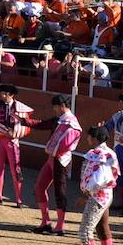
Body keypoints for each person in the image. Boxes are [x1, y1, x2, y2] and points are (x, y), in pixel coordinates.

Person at [32, 95, 83, 235]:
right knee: (39, 188)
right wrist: (24, 121)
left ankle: (60, 226)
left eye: (55, 107)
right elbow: (42, 124)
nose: (53, 110)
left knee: (60, 192)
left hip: (61, 160)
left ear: (61, 106)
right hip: (52, 158)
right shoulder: (60, 120)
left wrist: (56, 151)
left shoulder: (71, 123)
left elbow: (67, 144)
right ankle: (46, 222)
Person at [76, 126, 120, 245]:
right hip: (107, 195)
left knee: (85, 231)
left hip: (97, 197)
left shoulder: (95, 154)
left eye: (89, 137)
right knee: (102, 227)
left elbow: (98, 177)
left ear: (94, 139)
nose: (87, 139)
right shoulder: (111, 153)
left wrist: (88, 191)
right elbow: (114, 175)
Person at [0, 84, 34, 207]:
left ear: (11, 95)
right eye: (2, 94)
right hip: (0, 141)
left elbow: (26, 123)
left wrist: (16, 133)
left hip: (13, 142)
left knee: (16, 169)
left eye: (5, 94)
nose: (2, 96)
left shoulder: (19, 107)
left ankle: (19, 199)